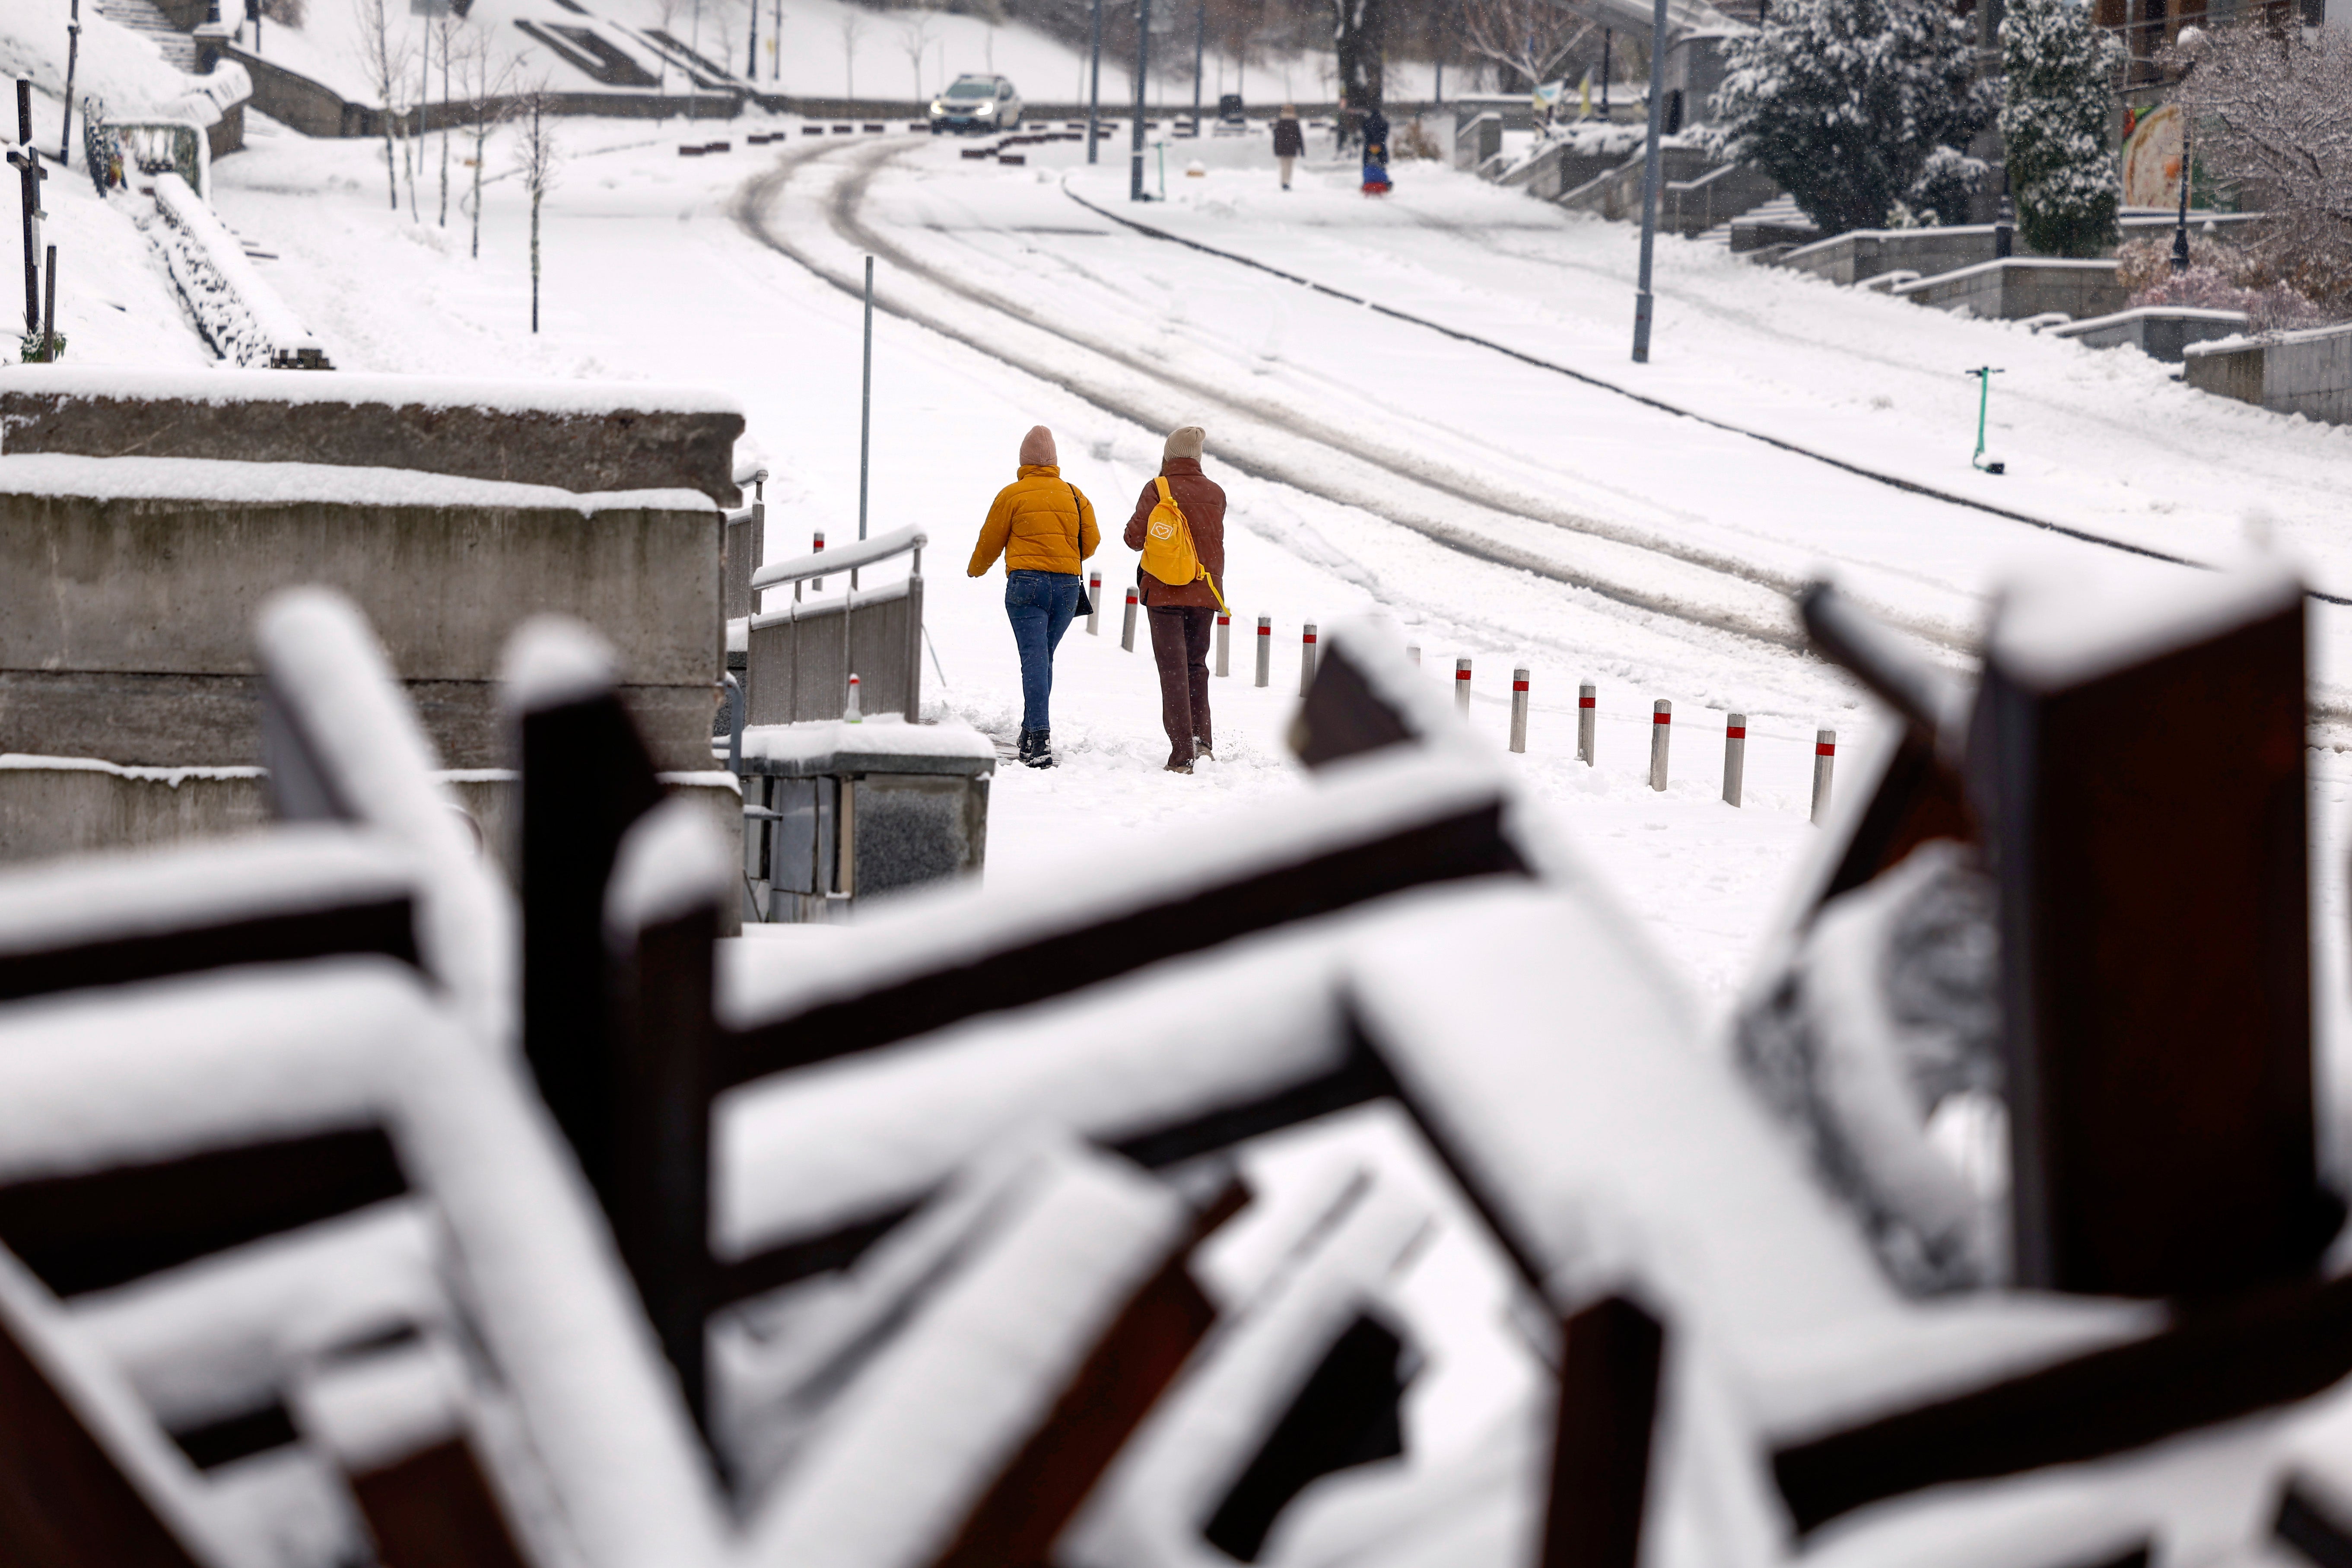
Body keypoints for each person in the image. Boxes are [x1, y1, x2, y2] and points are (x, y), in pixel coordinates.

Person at [969, 425, 1099, 769]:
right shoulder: (1075, 494)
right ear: (1054, 460)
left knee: (1035, 658)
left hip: (1028, 585)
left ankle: (1040, 738)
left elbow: (990, 539)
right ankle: (1030, 731)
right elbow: (1093, 541)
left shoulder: (1013, 494)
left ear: (1024, 460)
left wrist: (976, 569)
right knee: (1043, 657)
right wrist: (1065, 558)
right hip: (1068, 588)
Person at [1123, 426, 1227, 775]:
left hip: (1166, 592)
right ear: (1197, 457)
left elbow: (1134, 538)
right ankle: (1203, 743)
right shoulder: (1216, 493)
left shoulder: (1158, 488)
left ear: (1169, 455)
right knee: (1196, 666)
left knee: (1173, 671)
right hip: (1205, 592)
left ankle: (1182, 756)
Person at [1360, 102, 1392, 195]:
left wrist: (1370, 142)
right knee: (1382, 165)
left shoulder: (1367, 122)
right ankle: (1382, 181)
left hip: (1369, 146)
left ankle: (1368, 182)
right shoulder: (1383, 122)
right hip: (1381, 145)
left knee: (1367, 165)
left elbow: (1365, 131)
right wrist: (1380, 141)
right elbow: (1386, 131)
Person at [1272, 104, 1304, 191]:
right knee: (1290, 165)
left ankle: (1284, 181)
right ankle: (1288, 181)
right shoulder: (1295, 122)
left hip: (1282, 147)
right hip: (1292, 146)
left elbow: (1277, 136)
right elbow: (1299, 136)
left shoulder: (1281, 121)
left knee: (1284, 165)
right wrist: (1301, 148)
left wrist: (1276, 147)